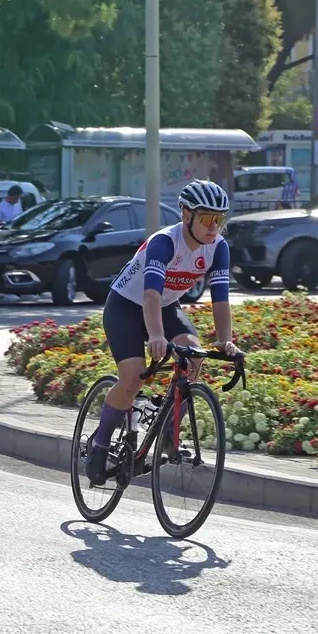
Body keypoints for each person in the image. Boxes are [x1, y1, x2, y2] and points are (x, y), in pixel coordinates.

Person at [85, 179, 240, 485]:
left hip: (167, 307)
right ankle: (99, 444)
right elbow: (150, 295)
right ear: (186, 215)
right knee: (132, 378)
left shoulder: (218, 247)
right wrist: (155, 335)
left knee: (195, 355)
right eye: (207, 219)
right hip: (126, 307)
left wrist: (224, 340)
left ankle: (169, 432)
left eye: (219, 220)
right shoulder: (164, 243)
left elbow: (220, 299)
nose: (214, 228)